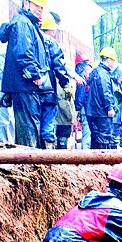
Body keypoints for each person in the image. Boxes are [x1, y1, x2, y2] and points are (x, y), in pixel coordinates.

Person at [0, 0, 57, 149]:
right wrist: (34, 74)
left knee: (30, 125)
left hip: (26, 85)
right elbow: (22, 52)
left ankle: (29, 161)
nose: (40, 9)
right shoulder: (23, 23)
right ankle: (27, 162)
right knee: (28, 127)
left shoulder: (28, 24)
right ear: (26, 3)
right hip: (25, 85)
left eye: (41, 6)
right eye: (36, 5)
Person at [39, 12, 78, 149]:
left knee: (38, 124)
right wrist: (66, 83)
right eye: (53, 31)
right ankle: (48, 155)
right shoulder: (50, 43)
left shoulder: (32, 41)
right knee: (48, 127)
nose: (55, 34)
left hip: (34, 91)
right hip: (48, 91)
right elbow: (59, 66)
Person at [85, 47, 118, 150]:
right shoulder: (103, 74)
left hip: (92, 111)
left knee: (95, 136)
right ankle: (103, 162)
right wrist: (109, 108)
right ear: (108, 59)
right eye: (113, 61)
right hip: (101, 112)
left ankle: (94, 162)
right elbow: (105, 92)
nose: (113, 64)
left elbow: (89, 82)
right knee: (104, 137)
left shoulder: (95, 71)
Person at [73, 51, 94, 149]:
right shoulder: (91, 70)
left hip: (85, 104)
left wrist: (77, 106)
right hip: (92, 105)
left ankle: (85, 152)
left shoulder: (81, 71)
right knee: (89, 129)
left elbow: (81, 91)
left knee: (86, 128)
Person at [109, 61, 122, 148]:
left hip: (117, 119)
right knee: (111, 139)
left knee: (115, 140)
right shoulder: (111, 85)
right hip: (112, 118)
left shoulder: (118, 86)